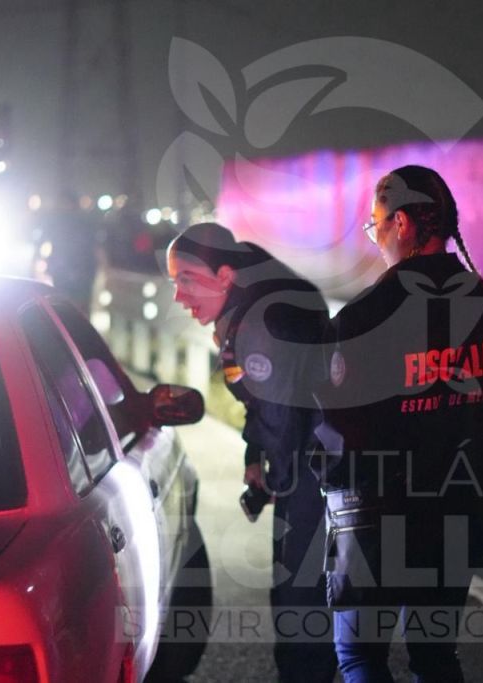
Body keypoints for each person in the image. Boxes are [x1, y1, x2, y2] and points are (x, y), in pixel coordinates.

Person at [315, 165, 483, 682]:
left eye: (375, 224)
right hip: (462, 504)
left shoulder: (363, 318)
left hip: (380, 514)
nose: (375, 236)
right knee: (435, 656)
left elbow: (339, 432)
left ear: (402, 224)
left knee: (361, 656)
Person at [165, 223, 337, 683]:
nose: (179, 296)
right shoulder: (258, 307)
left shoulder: (258, 325)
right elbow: (269, 404)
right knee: (307, 596)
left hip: (311, 472)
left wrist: (276, 481)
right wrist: (252, 457)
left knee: (300, 600)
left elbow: (280, 417)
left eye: (186, 279)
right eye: (174, 283)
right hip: (320, 464)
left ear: (225, 276)